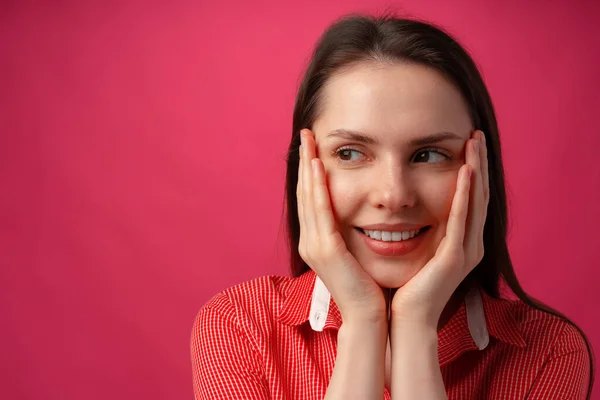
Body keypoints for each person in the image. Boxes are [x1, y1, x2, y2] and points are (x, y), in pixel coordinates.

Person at [190, 13, 595, 399]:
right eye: (349, 153)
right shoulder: (240, 326)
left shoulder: (548, 353)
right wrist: (364, 325)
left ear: (479, 170)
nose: (393, 194)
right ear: (305, 170)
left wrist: (416, 329)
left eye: (430, 154)